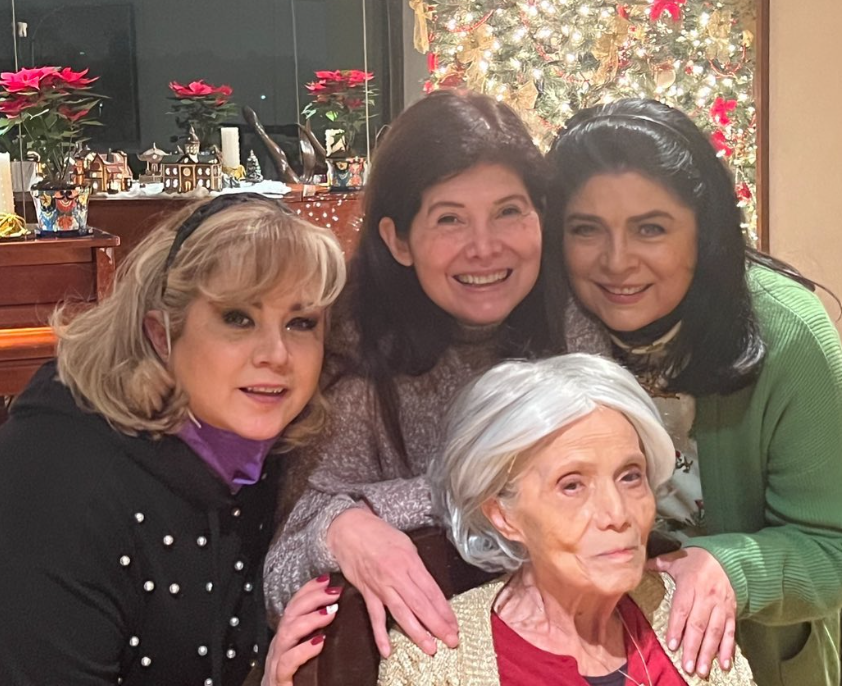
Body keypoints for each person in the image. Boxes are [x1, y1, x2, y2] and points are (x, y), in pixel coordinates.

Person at [263, 89, 608, 658]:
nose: (485, 248)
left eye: (509, 211)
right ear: (398, 240)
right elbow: (281, 576)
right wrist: (336, 530)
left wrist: (365, 511)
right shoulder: (353, 343)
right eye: (450, 219)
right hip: (420, 656)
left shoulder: (573, 325)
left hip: (571, 642)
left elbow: (607, 505)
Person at [542, 98, 842, 686]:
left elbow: (832, 549)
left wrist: (732, 567)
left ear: (704, 232)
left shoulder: (788, 333)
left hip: (757, 664)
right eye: (586, 230)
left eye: (650, 228)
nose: (617, 262)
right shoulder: (552, 327)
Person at [0, 194, 348, 686]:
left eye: (301, 322)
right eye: (238, 318)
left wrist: (345, 521)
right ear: (161, 333)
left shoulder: (271, 447)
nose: (277, 354)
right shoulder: (58, 472)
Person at [379, 354, 755, 685]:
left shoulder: (688, 610)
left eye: (630, 477)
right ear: (502, 515)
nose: (617, 514)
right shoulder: (435, 663)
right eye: (572, 486)